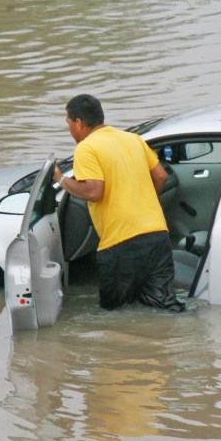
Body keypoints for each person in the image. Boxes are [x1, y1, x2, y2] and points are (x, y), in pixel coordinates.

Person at [54, 94, 184, 312]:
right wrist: (144, 203)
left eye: (68, 123)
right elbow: (161, 176)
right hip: (156, 235)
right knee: (164, 305)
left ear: (78, 123)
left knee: (114, 313)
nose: (70, 130)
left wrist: (61, 179)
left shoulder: (87, 148)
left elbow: (94, 192)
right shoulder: (133, 139)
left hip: (121, 242)